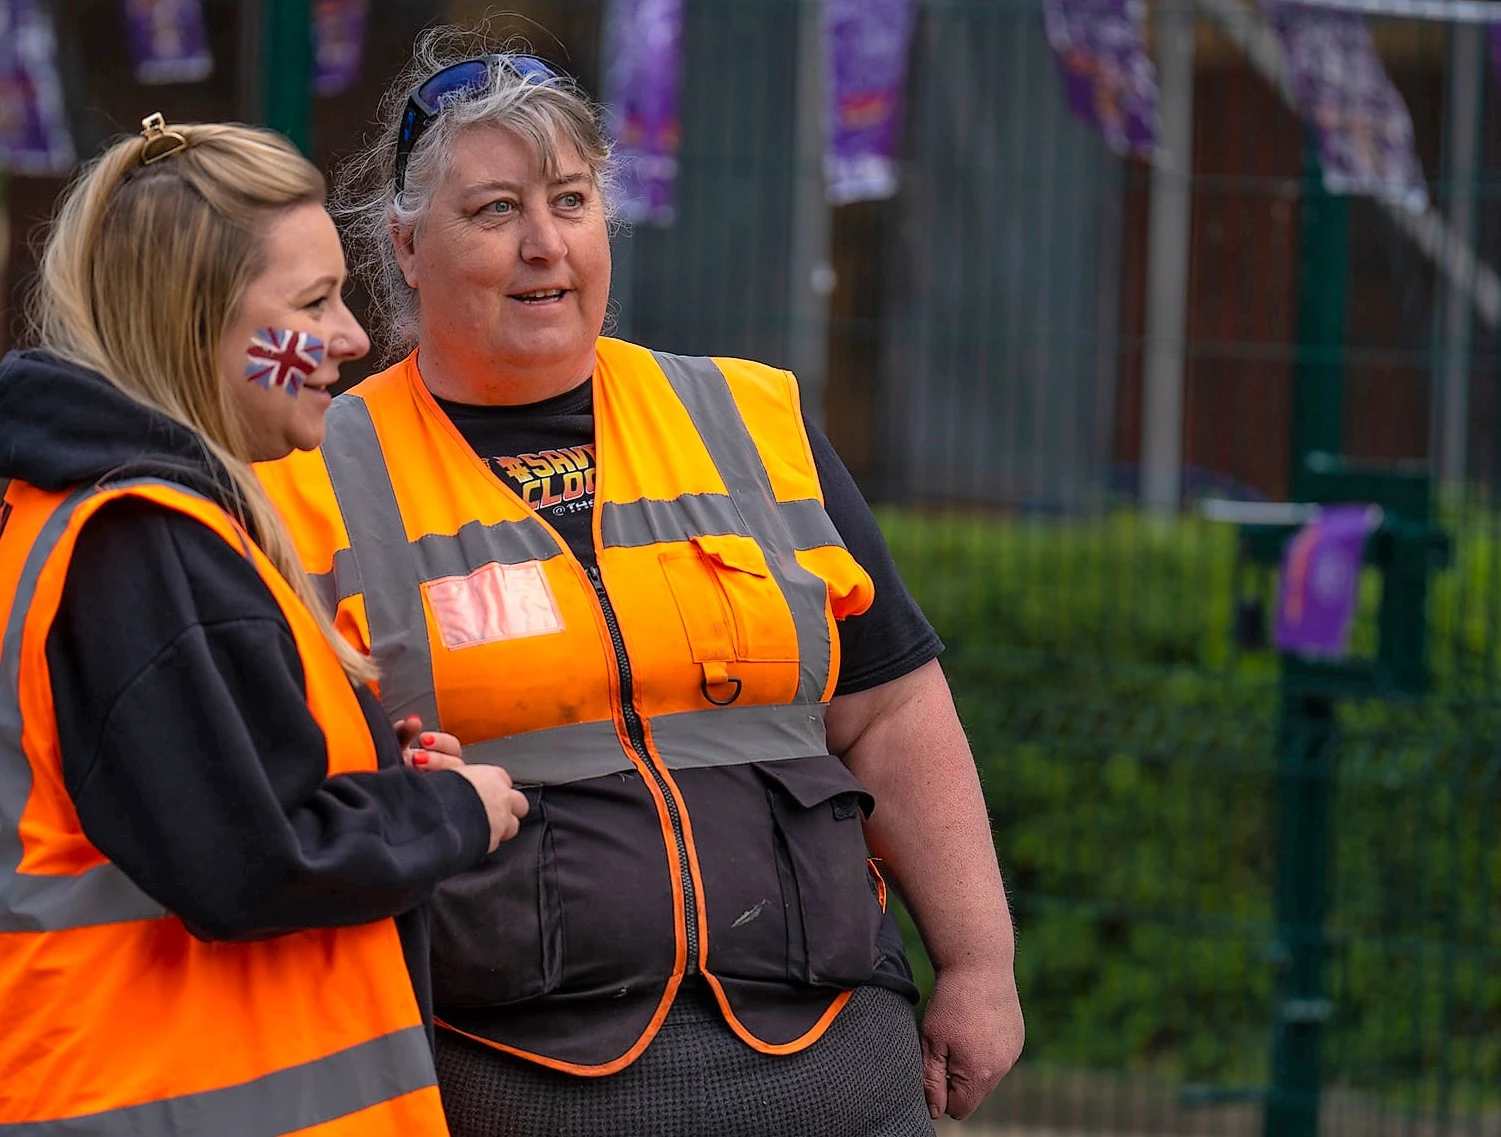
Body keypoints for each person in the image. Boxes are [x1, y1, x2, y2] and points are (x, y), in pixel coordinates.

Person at [259, 30, 1024, 1137]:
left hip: (834, 1066)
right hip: (516, 1079)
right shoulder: (309, 478)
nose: (542, 244)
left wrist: (981, 965)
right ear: (406, 247)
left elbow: (892, 708)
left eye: (570, 201)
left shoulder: (751, 420)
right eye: (493, 211)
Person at [0, 115, 530, 1134]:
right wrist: (452, 812)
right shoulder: (141, 539)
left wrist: (378, 784)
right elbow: (251, 858)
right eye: (312, 303)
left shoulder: (86, 511)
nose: (354, 337)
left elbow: (199, 793)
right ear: (193, 321)